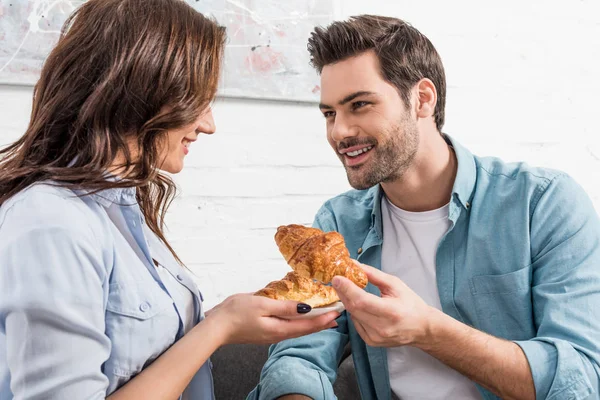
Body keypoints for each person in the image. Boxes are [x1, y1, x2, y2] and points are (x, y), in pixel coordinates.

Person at [249, 15, 600, 400]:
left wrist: (429, 331)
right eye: (330, 113)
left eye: (360, 105)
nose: (339, 132)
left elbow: (579, 378)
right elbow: (300, 354)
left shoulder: (543, 205)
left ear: (422, 99)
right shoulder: (338, 224)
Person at [0, 1, 340, 399]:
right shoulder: (52, 221)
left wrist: (230, 317)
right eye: (198, 100)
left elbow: (145, 347)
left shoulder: (123, 208)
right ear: (145, 90)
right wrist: (220, 327)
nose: (208, 125)